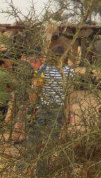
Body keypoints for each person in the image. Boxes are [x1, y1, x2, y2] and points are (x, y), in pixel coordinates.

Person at [26, 43, 73, 175]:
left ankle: (27, 166)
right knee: (50, 141)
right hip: (58, 111)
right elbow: (69, 95)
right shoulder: (69, 71)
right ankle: (42, 171)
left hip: (43, 108)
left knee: (34, 137)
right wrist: (69, 113)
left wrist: (33, 105)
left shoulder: (44, 69)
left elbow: (35, 90)